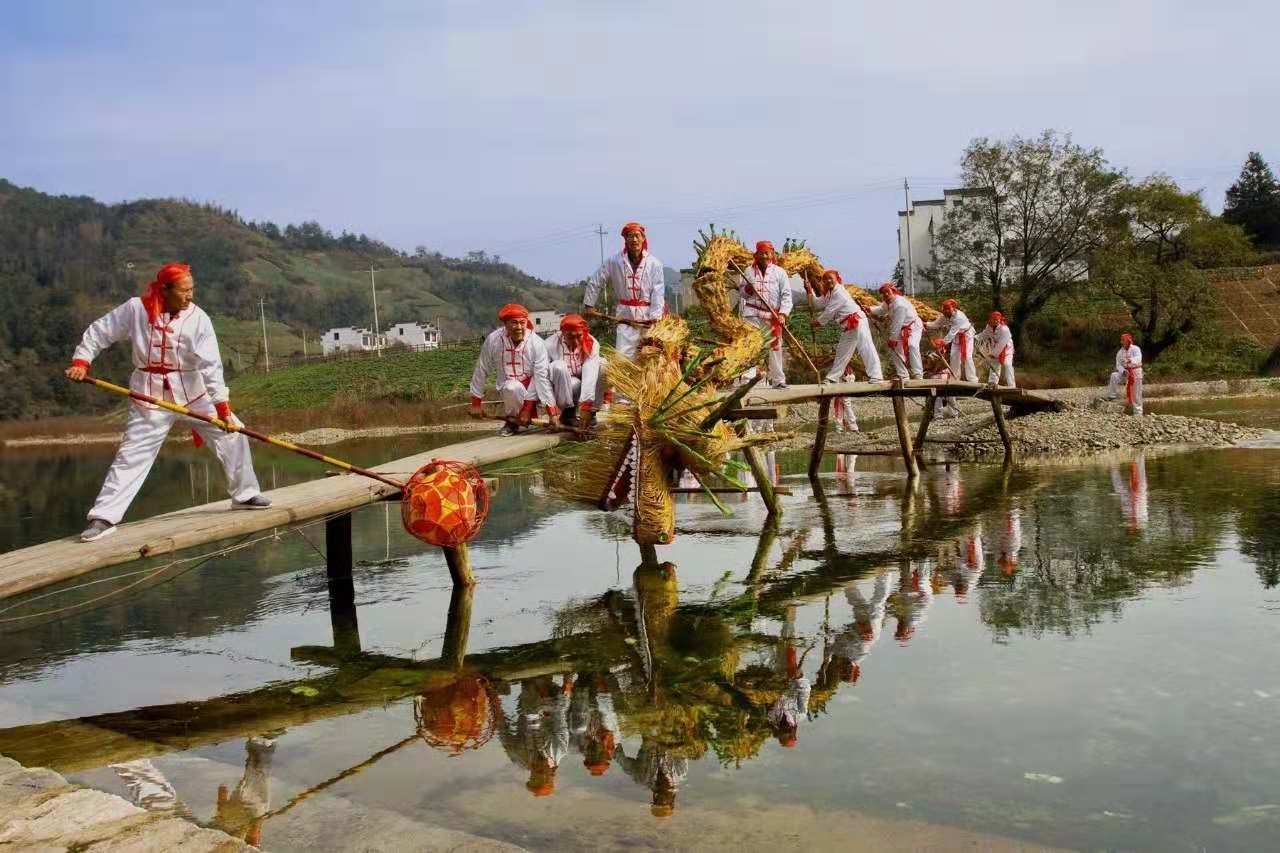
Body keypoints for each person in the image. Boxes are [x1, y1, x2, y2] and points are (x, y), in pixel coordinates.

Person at [66, 263, 268, 543]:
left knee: (233, 433)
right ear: (165, 290)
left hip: (195, 394)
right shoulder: (136, 309)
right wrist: (81, 361)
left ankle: (245, 495)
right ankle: (103, 517)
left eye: (192, 290)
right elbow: (101, 331)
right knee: (132, 454)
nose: (190, 296)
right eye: (184, 291)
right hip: (149, 398)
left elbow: (211, 365)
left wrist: (222, 406)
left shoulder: (199, 319)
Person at [469, 304, 558, 434]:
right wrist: (476, 404)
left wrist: (551, 413)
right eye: (514, 323)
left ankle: (560, 417)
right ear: (505, 324)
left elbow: (541, 377)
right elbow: (481, 370)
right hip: (510, 391)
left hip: (537, 390)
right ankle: (513, 422)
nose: (519, 327)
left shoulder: (536, 343)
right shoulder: (493, 341)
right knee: (512, 387)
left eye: (522, 323)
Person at [582, 222, 665, 359]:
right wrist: (589, 305)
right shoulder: (614, 261)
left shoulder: (654, 264)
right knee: (622, 358)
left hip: (647, 320)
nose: (634, 240)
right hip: (624, 318)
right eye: (630, 236)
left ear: (643, 238)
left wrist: (655, 318)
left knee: (648, 359)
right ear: (625, 240)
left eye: (637, 236)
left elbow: (658, 292)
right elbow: (596, 280)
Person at [807, 269, 883, 384]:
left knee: (866, 347)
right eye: (825, 279)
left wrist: (816, 322)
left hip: (857, 321)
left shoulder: (839, 292)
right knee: (842, 351)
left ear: (837, 279)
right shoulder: (829, 294)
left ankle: (876, 376)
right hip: (847, 326)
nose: (828, 281)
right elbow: (817, 304)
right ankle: (833, 378)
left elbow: (828, 312)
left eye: (830, 278)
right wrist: (809, 291)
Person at [737, 240, 793, 388]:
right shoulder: (748, 271)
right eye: (761, 253)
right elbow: (742, 292)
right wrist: (748, 290)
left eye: (767, 253)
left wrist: (783, 314)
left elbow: (786, 295)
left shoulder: (780, 272)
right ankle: (747, 379)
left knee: (775, 347)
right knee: (750, 345)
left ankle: (778, 380)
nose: (764, 256)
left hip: (771, 316)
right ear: (757, 254)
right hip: (752, 314)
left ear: (772, 254)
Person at [544, 314, 606, 429]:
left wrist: (586, 407)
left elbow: (590, 373)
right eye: (571, 337)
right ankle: (568, 414)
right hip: (563, 387)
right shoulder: (549, 345)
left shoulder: (592, 343)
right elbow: (542, 378)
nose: (576, 341)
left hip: (585, 381)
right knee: (560, 368)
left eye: (579, 336)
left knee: (603, 365)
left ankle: (591, 414)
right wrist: (551, 410)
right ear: (562, 334)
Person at [869, 283, 923, 380]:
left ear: (893, 292)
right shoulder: (888, 302)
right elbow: (881, 310)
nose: (885, 294)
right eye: (883, 293)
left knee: (912, 345)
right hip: (900, 328)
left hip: (913, 327)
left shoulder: (899, 304)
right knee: (895, 350)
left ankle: (918, 374)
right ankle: (903, 375)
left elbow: (897, 323)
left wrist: (893, 339)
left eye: (887, 292)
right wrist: (869, 309)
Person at [925, 298, 977, 381]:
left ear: (954, 308)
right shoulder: (944, 316)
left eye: (948, 309)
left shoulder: (959, 317)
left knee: (967, 357)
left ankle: (972, 379)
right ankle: (955, 378)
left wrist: (942, 342)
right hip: (956, 337)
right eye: (944, 309)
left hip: (966, 336)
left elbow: (951, 334)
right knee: (954, 356)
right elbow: (936, 324)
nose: (946, 311)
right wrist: (926, 324)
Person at [1105, 332, 1144, 416]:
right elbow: (1118, 364)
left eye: (1123, 340)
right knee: (1114, 375)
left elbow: (1139, 358)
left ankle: (1138, 413)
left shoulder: (1135, 349)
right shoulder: (1120, 352)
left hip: (1135, 372)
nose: (1122, 342)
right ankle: (1112, 395)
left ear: (1128, 341)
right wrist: (1123, 371)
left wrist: (1130, 360)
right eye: (1121, 340)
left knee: (1136, 393)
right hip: (1125, 372)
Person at [924, 339, 963, 418]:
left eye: (939, 346)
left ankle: (954, 413)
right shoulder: (930, 354)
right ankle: (938, 414)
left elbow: (952, 365)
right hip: (935, 377)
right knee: (937, 396)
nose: (938, 347)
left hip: (946, 377)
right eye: (937, 346)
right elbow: (927, 366)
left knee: (950, 395)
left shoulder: (947, 354)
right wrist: (933, 362)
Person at [976, 311, 1015, 387]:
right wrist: (975, 338)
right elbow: (984, 334)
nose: (995, 321)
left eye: (997, 320)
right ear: (990, 319)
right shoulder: (989, 327)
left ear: (999, 320)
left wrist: (993, 354)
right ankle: (992, 383)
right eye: (993, 319)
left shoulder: (1004, 329)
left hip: (1006, 350)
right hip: (996, 348)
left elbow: (1001, 344)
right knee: (994, 365)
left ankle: (1011, 385)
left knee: (1007, 365)